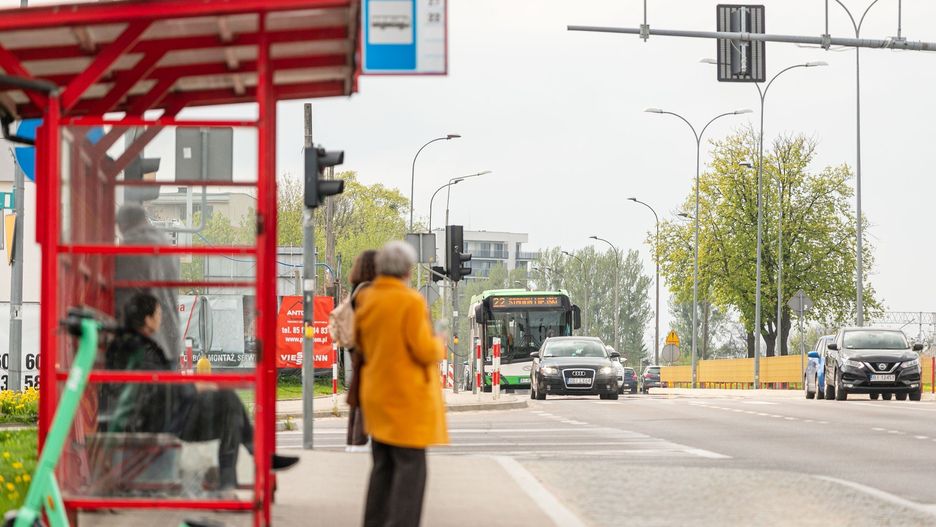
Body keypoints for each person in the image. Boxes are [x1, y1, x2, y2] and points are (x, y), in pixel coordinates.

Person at [101, 292, 298, 492]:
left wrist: (190, 387)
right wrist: (193, 388)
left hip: (161, 414)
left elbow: (156, 385)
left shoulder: (133, 344)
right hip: (157, 420)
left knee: (228, 405)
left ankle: (242, 472)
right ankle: (244, 470)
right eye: (158, 313)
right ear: (147, 318)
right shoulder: (136, 348)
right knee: (228, 403)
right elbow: (153, 389)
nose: (160, 319)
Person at [355, 241, 448, 527]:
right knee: (411, 472)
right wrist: (439, 344)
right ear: (407, 270)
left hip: (376, 396)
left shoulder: (367, 300)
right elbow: (422, 350)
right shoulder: (409, 302)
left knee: (382, 468)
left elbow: (361, 344)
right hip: (406, 400)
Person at [114, 204, 182, 368]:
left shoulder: (131, 247)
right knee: (168, 392)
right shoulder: (165, 243)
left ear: (124, 225)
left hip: (146, 345)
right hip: (171, 341)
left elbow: (121, 297)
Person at [345, 250, 377, 452]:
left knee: (359, 391)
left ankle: (355, 439)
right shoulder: (367, 291)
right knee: (366, 393)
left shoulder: (355, 289)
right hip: (367, 348)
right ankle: (360, 440)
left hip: (355, 346)